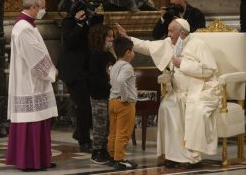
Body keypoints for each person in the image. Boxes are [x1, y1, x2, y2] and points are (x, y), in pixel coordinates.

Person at [117, 19, 221, 168]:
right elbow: (147, 46)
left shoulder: (199, 44)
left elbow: (209, 70)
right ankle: (173, 155)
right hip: (178, 92)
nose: (168, 34)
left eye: (171, 31)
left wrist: (183, 64)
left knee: (197, 112)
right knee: (167, 107)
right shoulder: (168, 43)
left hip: (201, 90)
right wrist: (128, 39)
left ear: (182, 33)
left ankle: (193, 157)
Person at [6, 0, 58, 171]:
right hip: (29, 82)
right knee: (32, 119)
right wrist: (52, 71)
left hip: (34, 81)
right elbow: (34, 58)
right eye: (42, 7)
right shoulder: (23, 28)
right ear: (34, 6)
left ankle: (41, 158)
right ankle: (30, 160)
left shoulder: (28, 26)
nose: (43, 10)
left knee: (40, 118)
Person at [57, 0, 103, 153]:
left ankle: (80, 132)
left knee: (93, 105)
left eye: (96, 2)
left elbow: (97, 41)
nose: (94, 6)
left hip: (89, 69)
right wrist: (79, 23)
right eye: (91, 2)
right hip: (73, 70)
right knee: (84, 106)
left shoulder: (96, 20)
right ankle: (84, 141)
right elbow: (70, 43)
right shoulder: (69, 22)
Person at [108, 37, 138, 170]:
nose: (133, 53)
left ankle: (113, 156)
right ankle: (120, 159)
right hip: (124, 104)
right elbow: (121, 81)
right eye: (132, 51)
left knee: (113, 132)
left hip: (113, 101)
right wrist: (125, 98)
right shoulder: (127, 66)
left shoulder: (114, 65)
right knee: (123, 133)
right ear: (127, 52)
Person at [89, 24, 116, 164]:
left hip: (110, 94)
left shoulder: (109, 55)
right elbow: (94, 76)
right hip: (99, 95)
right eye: (109, 36)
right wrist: (107, 86)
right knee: (100, 123)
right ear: (101, 38)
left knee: (108, 124)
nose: (111, 39)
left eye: (112, 36)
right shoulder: (95, 55)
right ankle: (96, 150)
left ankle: (104, 148)